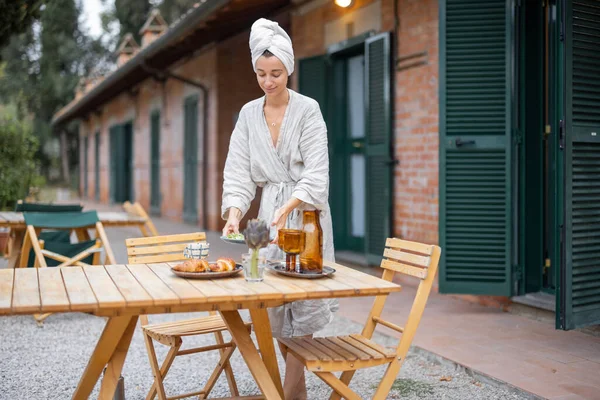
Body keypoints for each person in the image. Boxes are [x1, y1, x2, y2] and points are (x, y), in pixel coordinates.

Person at [221, 17, 338, 400]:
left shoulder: (309, 110)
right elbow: (238, 170)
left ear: (289, 68)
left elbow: (317, 173)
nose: (269, 81)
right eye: (261, 74)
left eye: (276, 73)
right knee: (272, 305)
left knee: (301, 308)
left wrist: (286, 206)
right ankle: (294, 395)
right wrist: (235, 212)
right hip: (268, 215)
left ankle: (287, 395)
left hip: (305, 217)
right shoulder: (248, 114)